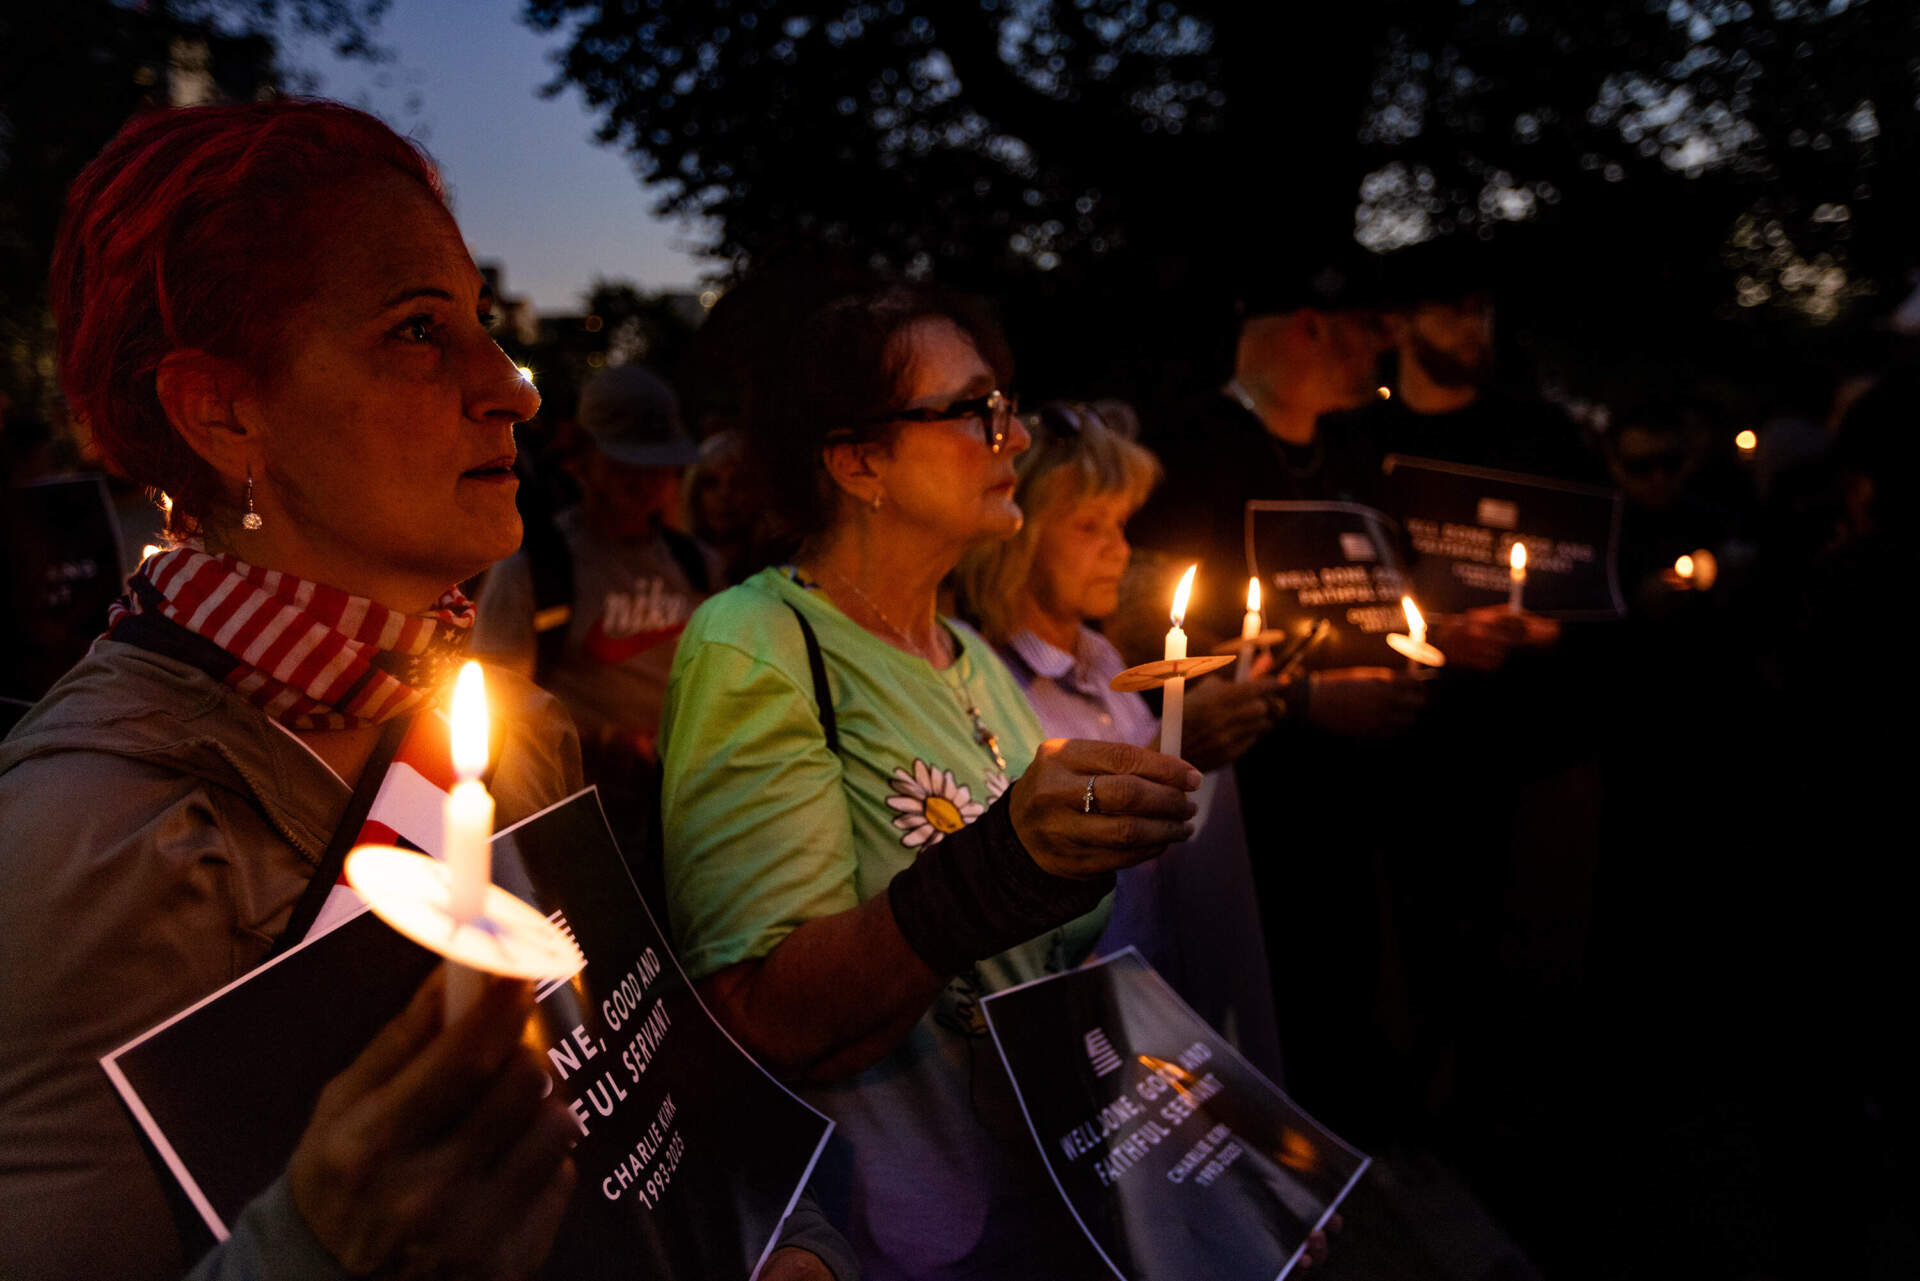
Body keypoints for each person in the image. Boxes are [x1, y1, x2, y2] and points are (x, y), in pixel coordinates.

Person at [0, 101, 840, 1281]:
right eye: (415, 331)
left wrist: (790, 1246)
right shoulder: (88, 844)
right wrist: (315, 1254)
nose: (513, 389)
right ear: (222, 409)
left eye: (484, 327)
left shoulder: (503, 731)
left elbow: (642, 1116)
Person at [659, 281, 1226, 1279]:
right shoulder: (758, 642)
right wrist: (1002, 866)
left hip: (1045, 1214)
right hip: (888, 1239)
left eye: (1004, 409)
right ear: (857, 460)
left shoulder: (968, 657)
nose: (1013, 441)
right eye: (975, 412)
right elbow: (763, 1014)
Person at [954, 399, 1286, 1080]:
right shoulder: (993, 690)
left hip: (1166, 993)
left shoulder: (1105, 660)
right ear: (1017, 535)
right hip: (1086, 1025)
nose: (1120, 547)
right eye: (1088, 526)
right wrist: (1178, 747)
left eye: (1122, 524)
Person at [471, 363, 719, 889]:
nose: (646, 480)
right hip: (587, 824)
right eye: (627, 463)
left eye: (658, 466)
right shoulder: (536, 570)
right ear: (582, 458)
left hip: (690, 820)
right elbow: (498, 706)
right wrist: (601, 741)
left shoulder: (696, 564)